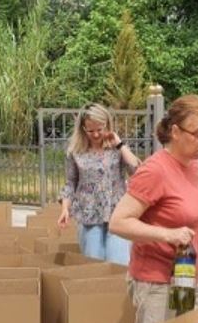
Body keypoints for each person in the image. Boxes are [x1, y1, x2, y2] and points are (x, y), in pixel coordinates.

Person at [109, 94, 198, 323]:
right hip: (157, 282)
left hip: (192, 274)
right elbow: (118, 223)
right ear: (176, 132)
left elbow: (186, 217)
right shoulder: (154, 171)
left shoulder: (194, 164)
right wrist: (168, 235)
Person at [58, 103, 141, 264]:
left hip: (118, 214)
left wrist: (120, 145)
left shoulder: (117, 148)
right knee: (94, 266)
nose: (95, 134)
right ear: (83, 128)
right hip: (89, 216)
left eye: (100, 129)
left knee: (118, 264)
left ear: (107, 125)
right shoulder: (75, 152)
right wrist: (65, 209)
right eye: (90, 130)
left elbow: (137, 172)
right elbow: (70, 183)